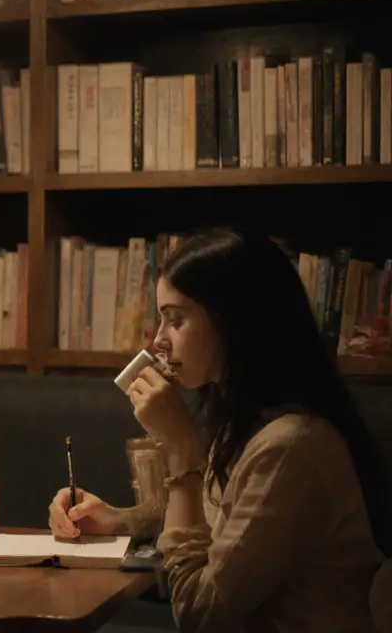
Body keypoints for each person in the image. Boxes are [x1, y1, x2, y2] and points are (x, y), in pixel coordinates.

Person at [47, 229, 391, 632]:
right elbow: (216, 527)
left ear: (233, 323)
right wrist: (120, 521)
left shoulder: (292, 447)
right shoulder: (246, 424)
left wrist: (182, 452)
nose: (159, 340)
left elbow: (200, 615)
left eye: (175, 320)